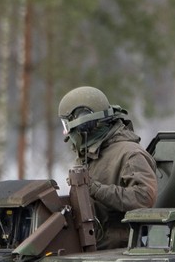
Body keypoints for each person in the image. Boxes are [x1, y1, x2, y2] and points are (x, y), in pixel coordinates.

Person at [58, 86, 158, 249]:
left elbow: (144, 198)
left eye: (67, 124)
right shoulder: (89, 153)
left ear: (85, 125)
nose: (66, 133)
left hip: (118, 250)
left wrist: (95, 189)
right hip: (89, 244)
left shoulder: (130, 154)